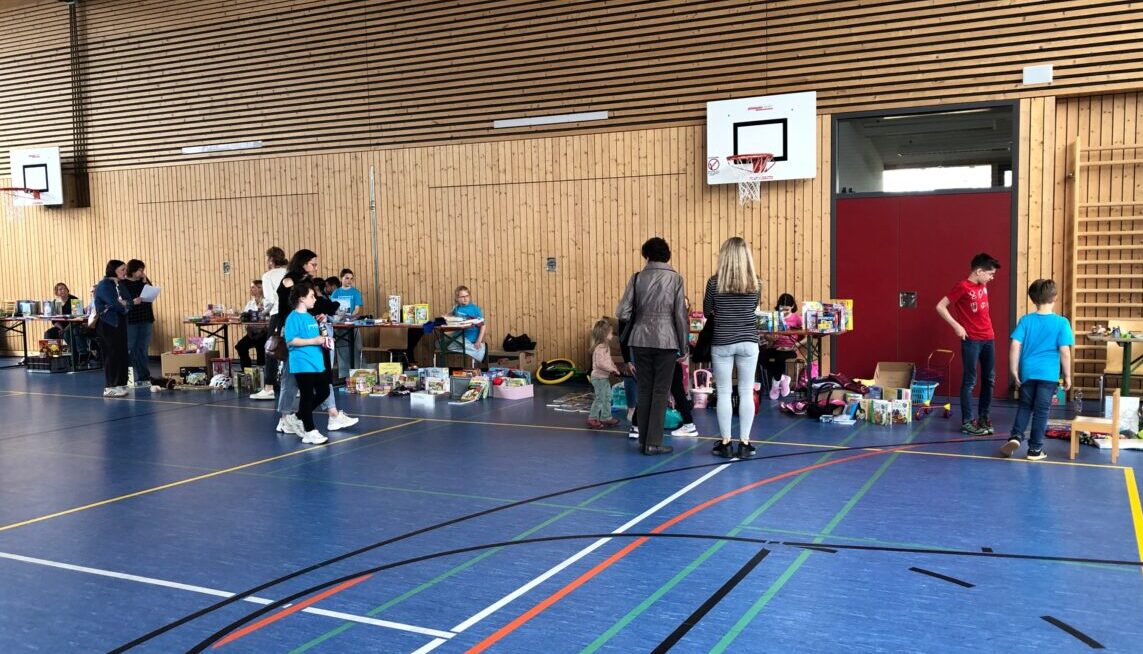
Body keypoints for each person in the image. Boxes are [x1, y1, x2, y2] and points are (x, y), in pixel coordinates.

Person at [616, 237, 688, 456]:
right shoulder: (675, 279)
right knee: (660, 391)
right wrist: (683, 347)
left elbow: (622, 312)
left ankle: (644, 440)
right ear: (668, 255)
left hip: (639, 340)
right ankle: (654, 443)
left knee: (645, 390)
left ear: (646, 256)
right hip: (666, 341)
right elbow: (680, 316)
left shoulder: (637, 278)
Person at [274, 249, 358, 435]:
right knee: (291, 377)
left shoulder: (307, 283)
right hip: (295, 332)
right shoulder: (289, 281)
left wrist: (320, 312)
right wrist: (311, 314)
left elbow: (315, 302)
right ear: (302, 263)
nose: (316, 267)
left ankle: (332, 413)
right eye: (313, 263)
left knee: (321, 372)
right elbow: (290, 306)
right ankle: (286, 417)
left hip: (310, 329)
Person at [1000, 279, 1073, 461]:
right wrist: (1068, 375)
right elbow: (1064, 351)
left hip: (1028, 372)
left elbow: (1015, 345)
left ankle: (1016, 437)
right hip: (1048, 375)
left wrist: (1014, 370)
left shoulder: (1025, 320)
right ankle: (1035, 449)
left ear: (1033, 300)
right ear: (1055, 297)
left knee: (1025, 406)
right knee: (1042, 411)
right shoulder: (1062, 322)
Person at [704, 237, 762, 459]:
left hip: (722, 341)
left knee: (725, 393)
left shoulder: (713, 283)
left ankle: (726, 442)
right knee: (747, 391)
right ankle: (745, 443)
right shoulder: (757, 283)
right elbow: (755, 308)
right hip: (749, 340)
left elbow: (708, 310)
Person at [936, 252, 1001, 436]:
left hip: (989, 338)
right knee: (970, 380)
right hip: (971, 340)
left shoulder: (983, 286)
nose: (991, 277)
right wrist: (957, 326)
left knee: (989, 379)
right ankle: (967, 421)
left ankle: (983, 417)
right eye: (990, 274)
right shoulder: (962, 287)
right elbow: (940, 306)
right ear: (979, 271)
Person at [283, 281, 331, 445]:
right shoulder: (292, 318)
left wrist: (321, 332)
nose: (315, 299)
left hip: (316, 361)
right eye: (311, 296)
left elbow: (315, 335)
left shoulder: (310, 317)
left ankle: (296, 417)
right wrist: (314, 340)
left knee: (324, 392)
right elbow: (291, 340)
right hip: (302, 362)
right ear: (302, 298)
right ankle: (310, 431)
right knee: (307, 395)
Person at [251, 246, 289, 400]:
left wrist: (263, 312)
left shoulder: (267, 276)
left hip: (277, 315)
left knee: (272, 350)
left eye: (268, 259)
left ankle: (269, 388)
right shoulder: (289, 273)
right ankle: (296, 386)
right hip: (293, 314)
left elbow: (271, 300)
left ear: (271, 260)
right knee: (291, 348)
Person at [93, 260, 131, 397]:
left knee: (122, 353)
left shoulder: (121, 284)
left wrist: (124, 304)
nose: (125, 272)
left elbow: (129, 301)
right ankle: (110, 386)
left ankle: (120, 383)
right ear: (113, 270)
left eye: (125, 269)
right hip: (108, 324)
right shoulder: (104, 285)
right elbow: (114, 303)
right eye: (122, 269)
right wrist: (122, 305)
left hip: (120, 322)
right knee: (111, 354)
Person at [760, 293, 803, 399]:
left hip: (791, 349)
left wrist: (797, 344)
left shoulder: (797, 318)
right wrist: (770, 338)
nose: (784, 312)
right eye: (782, 309)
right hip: (776, 347)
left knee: (780, 357)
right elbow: (767, 336)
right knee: (760, 356)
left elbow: (807, 335)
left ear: (792, 307)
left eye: (787, 310)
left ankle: (775, 384)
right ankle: (782, 378)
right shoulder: (775, 317)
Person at [123, 259, 156, 388]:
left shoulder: (143, 282)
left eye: (143, 270)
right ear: (132, 270)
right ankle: (127, 377)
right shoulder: (123, 283)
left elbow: (151, 291)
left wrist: (145, 279)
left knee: (142, 348)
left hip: (146, 318)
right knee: (130, 348)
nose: (142, 273)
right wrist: (132, 301)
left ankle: (144, 376)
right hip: (131, 320)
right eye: (140, 270)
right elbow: (124, 300)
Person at [44, 282, 91, 363]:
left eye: (64, 288)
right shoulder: (55, 303)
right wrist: (61, 328)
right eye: (60, 289)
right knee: (48, 333)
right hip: (60, 327)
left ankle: (76, 357)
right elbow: (54, 319)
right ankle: (53, 358)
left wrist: (65, 329)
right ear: (56, 292)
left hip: (74, 325)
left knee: (67, 334)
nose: (62, 290)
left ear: (67, 290)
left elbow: (78, 318)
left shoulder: (75, 300)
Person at [587, 318, 621, 429]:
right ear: (605, 335)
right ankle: (592, 418)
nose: (612, 335)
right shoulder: (599, 348)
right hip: (598, 378)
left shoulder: (606, 347)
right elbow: (601, 364)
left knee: (608, 396)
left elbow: (608, 360)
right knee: (600, 398)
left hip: (604, 378)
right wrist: (611, 370)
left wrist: (614, 367)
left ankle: (606, 417)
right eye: (611, 333)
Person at [330, 268, 364, 378]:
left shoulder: (355, 292)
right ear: (341, 278)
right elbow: (332, 308)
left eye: (351, 278)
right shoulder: (336, 292)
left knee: (356, 347)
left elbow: (357, 308)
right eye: (346, 278)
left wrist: (350, 316)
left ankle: (357, 373)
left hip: (352, 323)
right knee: (342, 349)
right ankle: (344, 375)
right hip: (339, 323)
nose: (349, 281)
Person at [447, 285, 487, 363]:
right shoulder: (457, 308)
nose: (465, 298)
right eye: (462, 297)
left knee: (446, 345)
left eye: (467, 296)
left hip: (469, 338)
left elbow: (483, 325)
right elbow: (451, 317)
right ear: (457, 298)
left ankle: (475, 351)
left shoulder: (474, 308)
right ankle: (471, 350)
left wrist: (479, 341)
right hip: (459, 335)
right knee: (438, 344)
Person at [235, 280, 268, 369]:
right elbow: (245, 318)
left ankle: (262, 373)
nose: (251, 289)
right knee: (240, 347)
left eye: (253, 287)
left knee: (261, 347)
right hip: (252, 333)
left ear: (260, 289)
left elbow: (269, 321)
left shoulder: (267, 302)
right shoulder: (250, 303)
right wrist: (249, 332)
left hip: (264, 333)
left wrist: (261, 333)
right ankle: (247, 370)